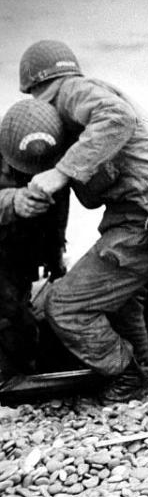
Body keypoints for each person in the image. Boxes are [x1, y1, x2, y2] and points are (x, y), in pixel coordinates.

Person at [18, 40, 148, 401]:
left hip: (141, 217)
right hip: (144, 213)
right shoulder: (84, 96)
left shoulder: (72, 91)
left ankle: (127, 375)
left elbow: (117, 118)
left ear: (36, 87)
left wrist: (59, 173)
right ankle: (145, 365)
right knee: (121, 297)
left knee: (64, 307)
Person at [0, 99, 69, 382]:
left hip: (22, 256)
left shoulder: (56, 162)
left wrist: (55, 258)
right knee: (7, 319)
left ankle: (23, 380)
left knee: (21, 323)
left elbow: (57, 217)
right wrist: (12, 201)